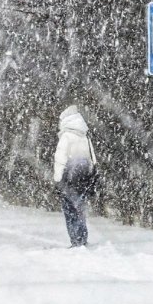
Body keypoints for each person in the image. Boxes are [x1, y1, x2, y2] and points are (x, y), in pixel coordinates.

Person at [53, 105, 97, 247]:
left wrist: (57, 179)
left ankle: (75, 240)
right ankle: (82, 238)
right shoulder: (85, 137)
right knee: (80, 209)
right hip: (84, 179)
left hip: (69, 180)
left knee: (69, 210)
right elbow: (93, 159)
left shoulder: (66, 137)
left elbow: (60, 159)